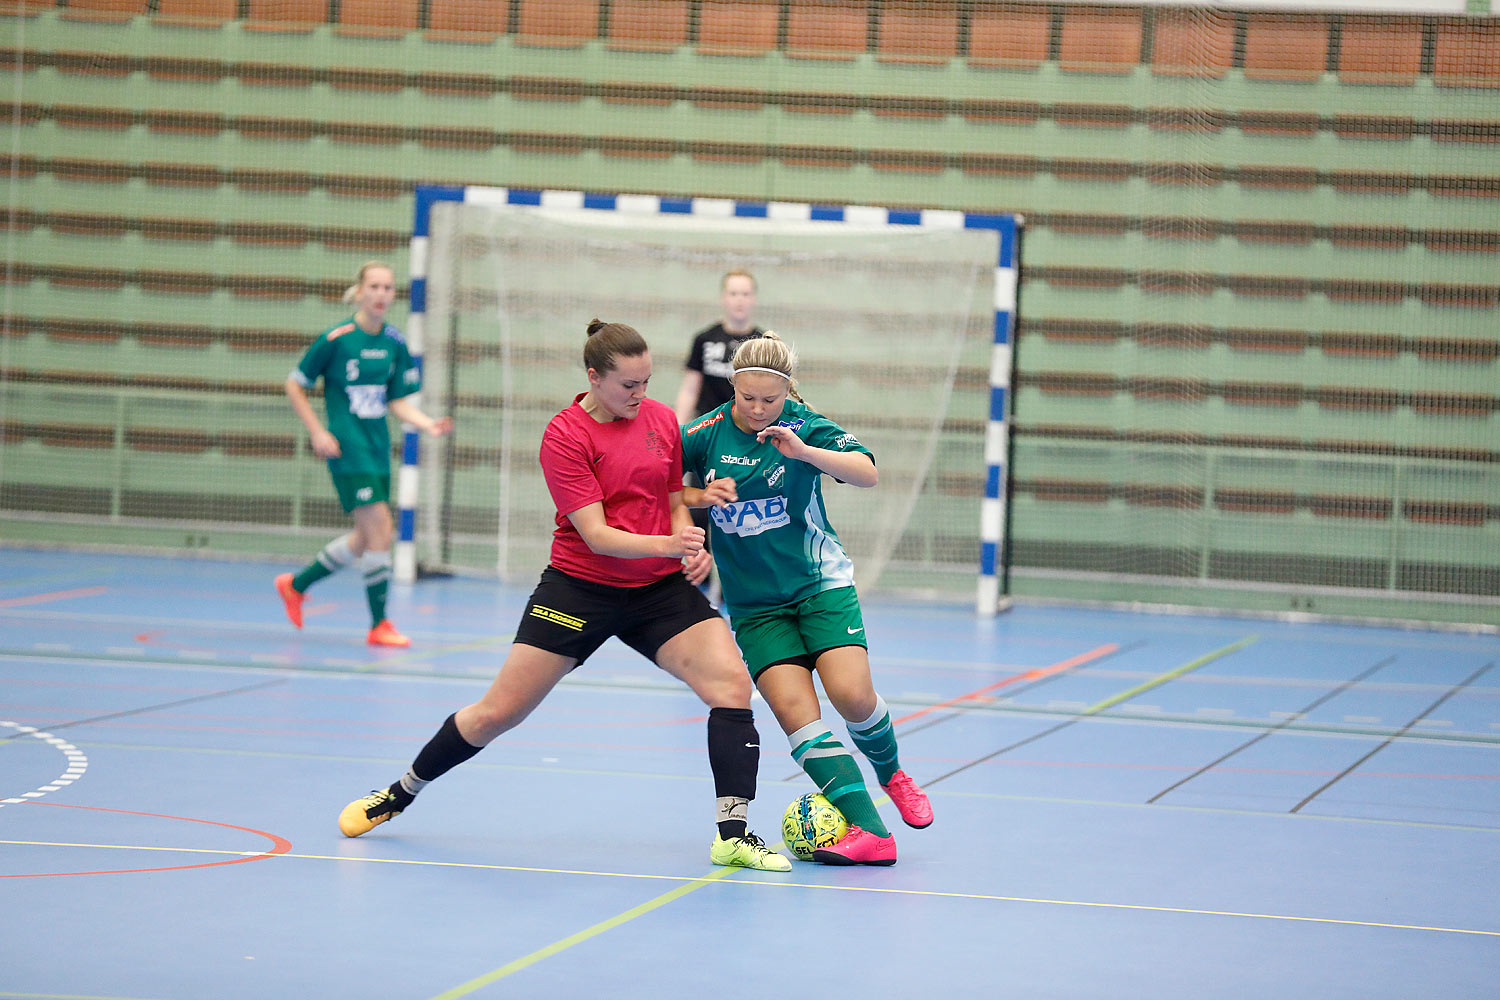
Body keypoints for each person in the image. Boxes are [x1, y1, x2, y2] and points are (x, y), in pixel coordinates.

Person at [337, 319, 790, 872]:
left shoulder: (661, 420)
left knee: (731, 684)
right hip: (580, 589)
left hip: (656, 589)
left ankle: (734, 834)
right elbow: (597, 535)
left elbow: (671, 494)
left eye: (647, 381)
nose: (640, 394)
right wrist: (671, 542)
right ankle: (401, 791)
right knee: (496, 714)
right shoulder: (565, 435)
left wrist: (692, 543)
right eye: (628, 385)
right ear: (594, 378)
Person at [679, 332, 933, 866]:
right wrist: (697, 506)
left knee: (853, 698)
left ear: (786, 391)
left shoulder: (803, 425)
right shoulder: (704, 435)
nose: (756, 408)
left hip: (820, 587)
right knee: (800, 718)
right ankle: (874, 834)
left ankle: (893, 775)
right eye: (746, 397)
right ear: (734, 386)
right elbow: (661, 486)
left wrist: (803, 451)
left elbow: (867, 472)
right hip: (754, 609)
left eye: (768, 400)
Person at [275, 261, 453, 648]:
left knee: (364, 537)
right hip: (346, 448)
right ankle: (379, 624)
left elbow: (398, 402)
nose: (381, 294)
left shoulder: (395, 343)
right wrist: (318, 431)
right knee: (382, 531)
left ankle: (296, 585)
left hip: (376, 448)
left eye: (388, 287)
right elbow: (294, 384)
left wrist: (427, 424)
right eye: (374, 286)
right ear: (359, 291)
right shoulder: (337, 339)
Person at [673, 269, 763, 602]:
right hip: (707, 440)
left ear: (753, 299)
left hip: (748, 442)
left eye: (745, 294)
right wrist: (676, 435)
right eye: (733, 293)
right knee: (697, 508)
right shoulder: (704, 340)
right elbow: (689, 390)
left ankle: (737, 586)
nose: (739, 300)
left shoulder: (764, 343)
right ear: (724, 298)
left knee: (744, 512)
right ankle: (694, 575)